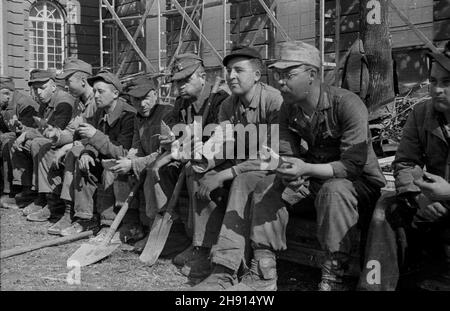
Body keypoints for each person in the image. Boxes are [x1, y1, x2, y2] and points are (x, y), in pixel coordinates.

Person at [227, 41, 385, 291]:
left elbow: (351, 167)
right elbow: (286, 152)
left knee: (334, 190)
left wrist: (305, 169)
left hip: (359, 185)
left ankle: (333, 277)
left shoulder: (347, 104)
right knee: (267, 185)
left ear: (312, 75)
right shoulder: (289, 108)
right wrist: (288, 171)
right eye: (278, 75)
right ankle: (264, 270)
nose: (280, 82)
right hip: (315, 180)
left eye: (288, 75)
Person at [358, 41, 450, 291]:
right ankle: (374, 287)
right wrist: (419, 197)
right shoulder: (422, 113)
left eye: (447, 83)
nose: (438, 90)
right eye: (434, 81)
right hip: (431, 202)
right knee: (386, 207)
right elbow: (406, 162)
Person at [188, 45, 283, 285]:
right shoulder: (229, 105)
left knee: (240, 180)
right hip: (243, 165)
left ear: (257, 75)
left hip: (271, 171)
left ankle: (226, 269)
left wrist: (225, 174)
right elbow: (222, 143)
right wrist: (201, 160)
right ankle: (204, 249)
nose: (231, 76)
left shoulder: (274, 101)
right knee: (197, 173)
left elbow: (271, 157)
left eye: (239, 70)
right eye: (229, 70)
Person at [143, 53, 229, 261]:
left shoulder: (220, 100)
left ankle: (203, 245)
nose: (180, 86)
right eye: (177, 81)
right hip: (187, 155)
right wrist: (174, 139)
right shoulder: (182, 102)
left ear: (202, 77)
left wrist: (183, 145)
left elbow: (216, 144)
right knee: (157, 169)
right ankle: (174, 236)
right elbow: (173, 129)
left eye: (185, 80)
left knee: (196, 171)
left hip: (218, 160)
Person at [59, 70, 136, 236]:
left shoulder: (128, 115)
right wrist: (88, 152)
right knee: (82, 158)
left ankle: (108, 224)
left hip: (123, 165)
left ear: (115, 93)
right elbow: (91, 140)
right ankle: (85, 219)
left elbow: (122, 151)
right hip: (104, 159)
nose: (96, 95)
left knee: (110, 169)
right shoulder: (100, 111)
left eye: (101, 91)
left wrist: (95, 136)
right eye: (94, 91)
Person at [27, 58, 98, 230]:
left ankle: (68, 211)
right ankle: (52, 203)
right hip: (84, 143)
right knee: (44, 146)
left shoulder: (95, 101)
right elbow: (74, 130)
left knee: (72, 153)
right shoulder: (79, 102)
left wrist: (67, 146)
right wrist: (57, 136)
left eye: (68, 80)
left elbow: (94, 134)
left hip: (95, 147)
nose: (66, 85)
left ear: (83, 80)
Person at [109, 76, 173, 243]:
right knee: (120, 172)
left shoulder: (166, 114)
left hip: (166, 163)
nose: (141, 104)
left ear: (155, 94)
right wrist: (129, 158)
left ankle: (155, 230)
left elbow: (163, 152)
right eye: (136, 100)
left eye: (145, 98)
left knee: (151, 172)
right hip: (147, 162)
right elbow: (137, 145)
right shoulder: (139, 117)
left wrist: (133, 164)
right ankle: (132, 226)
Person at [4, 69, 74, 212]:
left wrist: (27, 134)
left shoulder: (63, 102)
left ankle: (47, 197)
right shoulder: (45, 102)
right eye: (35, 89)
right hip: (54, 139)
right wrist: (21, 129)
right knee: (15, 142)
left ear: (53, 86)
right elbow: (40, 128)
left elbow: (53, 130)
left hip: (64, 141)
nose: (38, 93)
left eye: (42, 88)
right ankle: (28, 191)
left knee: (36, 143)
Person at [0, 76, 39, 206]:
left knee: (8, 142)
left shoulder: (25, 103)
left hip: (33, 136)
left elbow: (30, 129)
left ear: (6, 94)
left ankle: (14, 191)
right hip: (20, 135)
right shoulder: (4, 103)